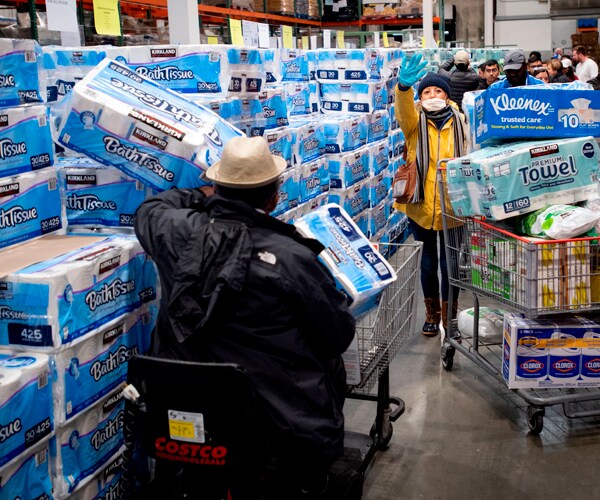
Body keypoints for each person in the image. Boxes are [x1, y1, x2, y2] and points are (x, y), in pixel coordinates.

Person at [134, 135, 356, 498]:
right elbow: (338, 335)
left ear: (217, 187)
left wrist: (200, 196)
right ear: (273, 196)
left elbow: (150, 210)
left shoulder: (174, 232)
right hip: (276, 421)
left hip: (188, 407)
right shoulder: (290, 257)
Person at [395, 54, 468, 337]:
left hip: (455, 205)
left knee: (451, 263)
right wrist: (404, 89)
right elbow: (403, 111)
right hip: (421, 203)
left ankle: (450, 318)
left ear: (447, 95)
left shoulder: (461, 120)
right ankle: (432, 314)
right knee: (428, 261)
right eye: (427, 91)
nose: (433, 95)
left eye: (438, 90)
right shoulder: (414, 122)